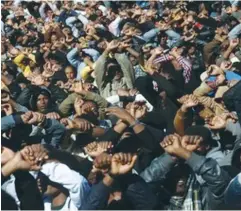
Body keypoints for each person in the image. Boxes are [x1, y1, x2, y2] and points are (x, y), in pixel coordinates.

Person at [1, 1, 241, 210]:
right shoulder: (90, 112)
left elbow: (149, 135)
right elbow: (72, 142)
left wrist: (129, 123)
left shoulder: (115, 112)